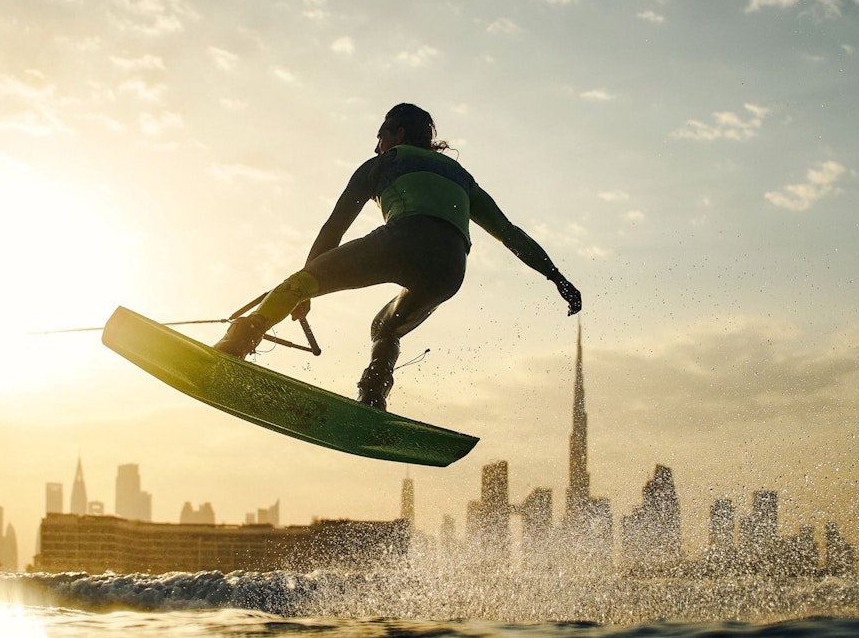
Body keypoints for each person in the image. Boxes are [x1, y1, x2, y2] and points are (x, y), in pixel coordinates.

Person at [215, 103, 583, 410]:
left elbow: (334, 228)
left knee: (297, 283)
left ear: (398, 135)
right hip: (450, 269)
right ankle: (373, 396)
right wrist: (557, 278)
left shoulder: (383, 163)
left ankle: (234, 345)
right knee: (385, 328)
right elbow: (511, 234)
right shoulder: (463, 177)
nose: (377, 146)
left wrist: (306, 290)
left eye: (380, 137)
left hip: (402, 241)